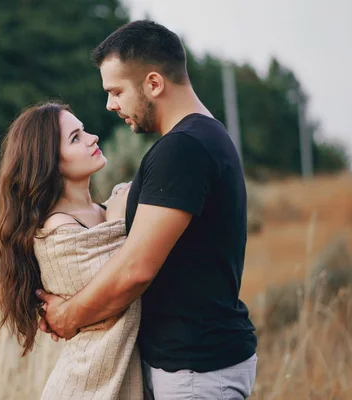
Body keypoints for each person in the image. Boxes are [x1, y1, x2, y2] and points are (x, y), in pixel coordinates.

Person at [36, 20, 258, 399]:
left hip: (194, 371)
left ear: (154, 84)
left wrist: (67, 316)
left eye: (116, 91)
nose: (110, 104)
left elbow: (136, 270)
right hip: (197, 364)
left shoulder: (182, 149)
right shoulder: (206, 136)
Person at [0, 102, 143, 399]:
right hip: (86, 390)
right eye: (76, 137)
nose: (92, 138)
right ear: (50, 162)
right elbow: (123, 287)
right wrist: (118, 219)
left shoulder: (106, 209)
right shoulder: (57, 234)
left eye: (84, 130)